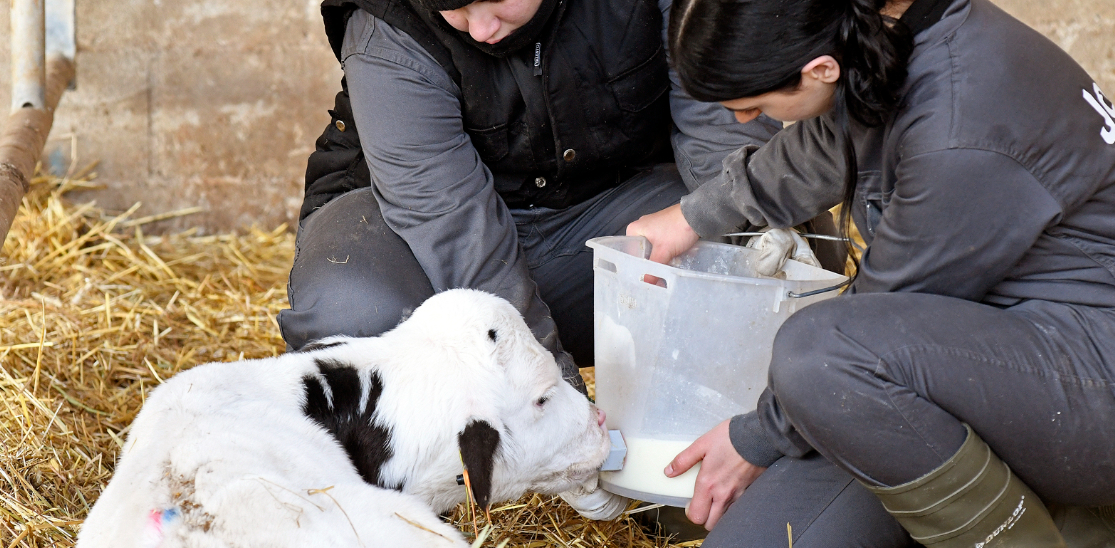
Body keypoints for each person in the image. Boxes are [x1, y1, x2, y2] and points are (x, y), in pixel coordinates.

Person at [627, 0, 1115, 548]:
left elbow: (873, 321)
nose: (745, 119)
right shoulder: (883, 40)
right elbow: (823, 149)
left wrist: (755, 437)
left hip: (1114, 381)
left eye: (755, 107)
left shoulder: (960, 120)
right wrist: (691, 217)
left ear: (820, 70)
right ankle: (1073, 535)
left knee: (816, 349)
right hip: (981, 365)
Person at [280, 0, 780, 387]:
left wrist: (735, 224)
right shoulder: (387, 28)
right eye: (452, 7)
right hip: (417, 240)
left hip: (604, 213)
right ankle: (400, 496)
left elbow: (723, 133)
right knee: (352, 310)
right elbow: (451, 222)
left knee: (751, 240)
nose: (480, 28)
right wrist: (557, 404)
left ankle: (682, 485)